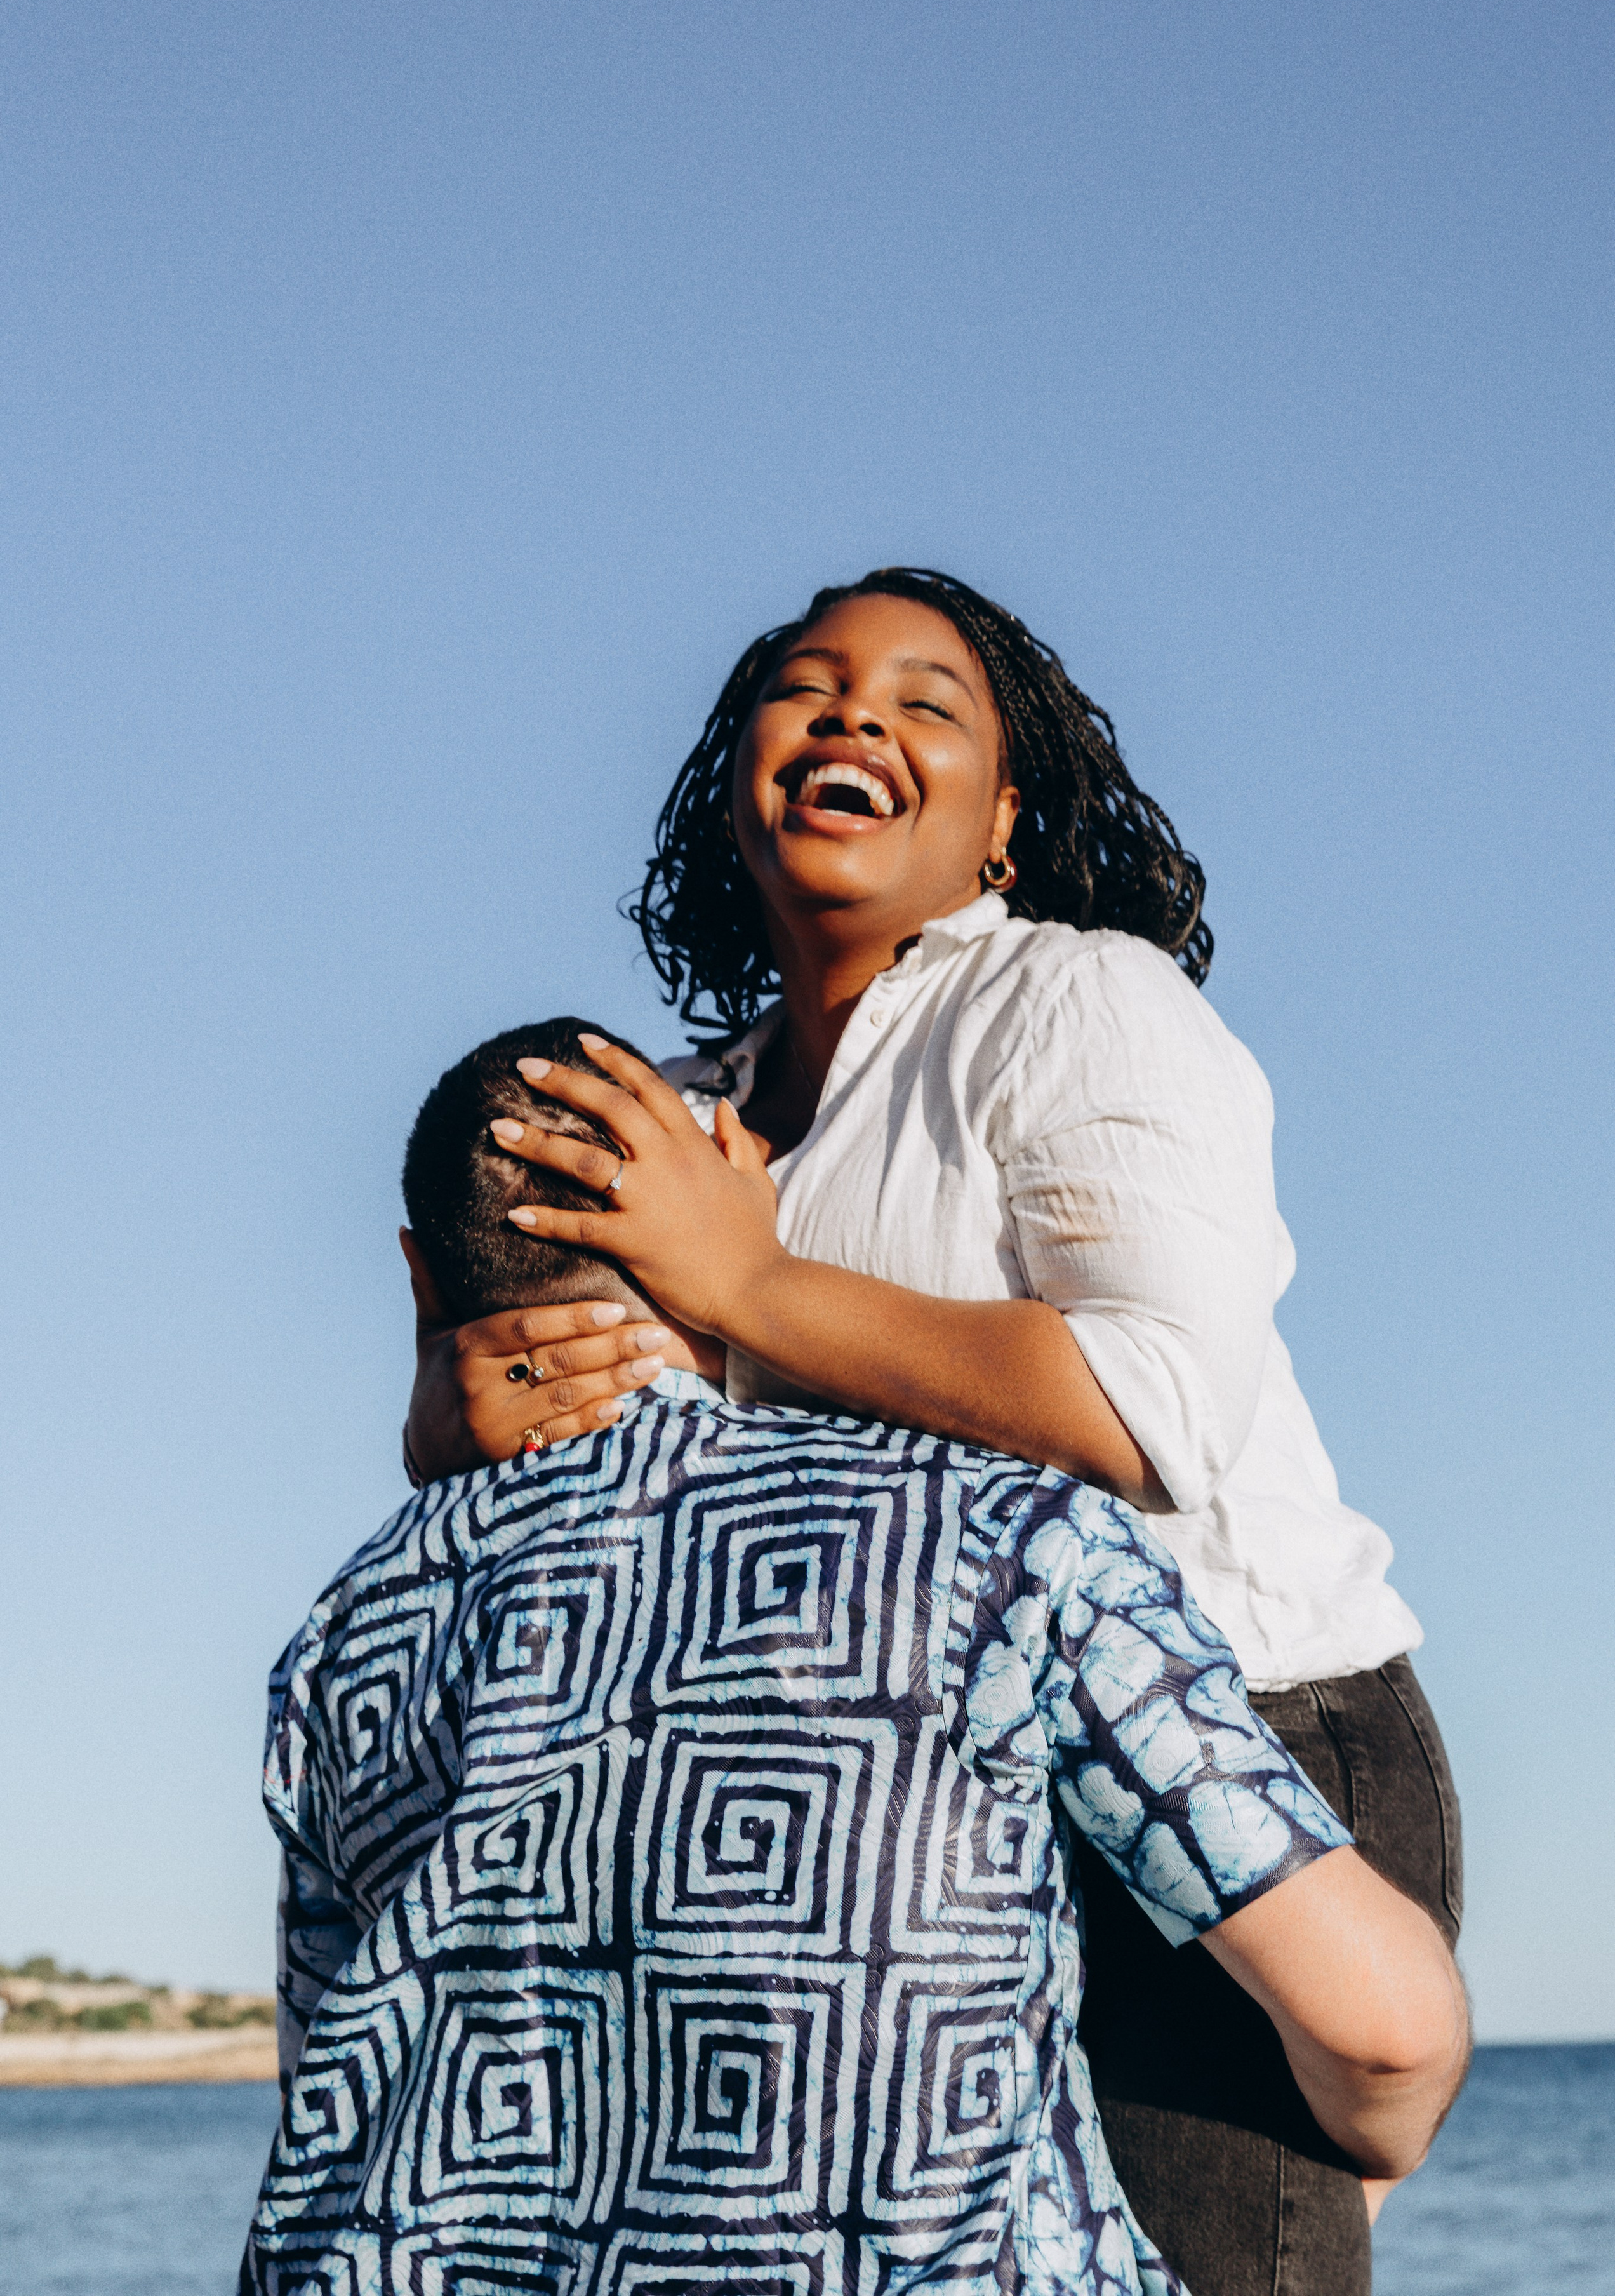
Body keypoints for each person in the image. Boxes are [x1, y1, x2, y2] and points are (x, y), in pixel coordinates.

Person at [404, 570, 1465, 2296]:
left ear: (1000, 828)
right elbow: (573, 1460)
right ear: (729, 783)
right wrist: (454, 1412)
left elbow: (1154, 1405)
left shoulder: (1076, 1004)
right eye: (807, 688)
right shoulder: (689, 1119)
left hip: (1233, 1745)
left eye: (925, 704)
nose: (853, 716)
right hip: (907, 1818)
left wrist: (745, 1275)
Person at [244, 1020, 1467, 2296]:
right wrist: (1353, 2175)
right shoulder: (1001, 1540)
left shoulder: (343, 1640)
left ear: (420, 1279)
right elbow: (1382, 2033)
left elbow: (335, 2090)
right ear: (734, 1189)